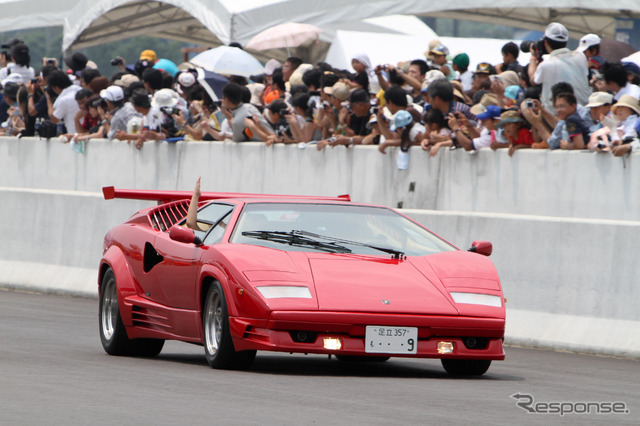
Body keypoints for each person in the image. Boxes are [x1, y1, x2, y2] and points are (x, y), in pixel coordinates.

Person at [528, 22, 591, 112]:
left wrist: (533, 57)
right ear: (566, 43)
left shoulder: (546, 64)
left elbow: (533, 80)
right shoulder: (581, 56)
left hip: (555, 114)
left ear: (546, 43)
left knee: (525, 108)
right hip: (583, 109)